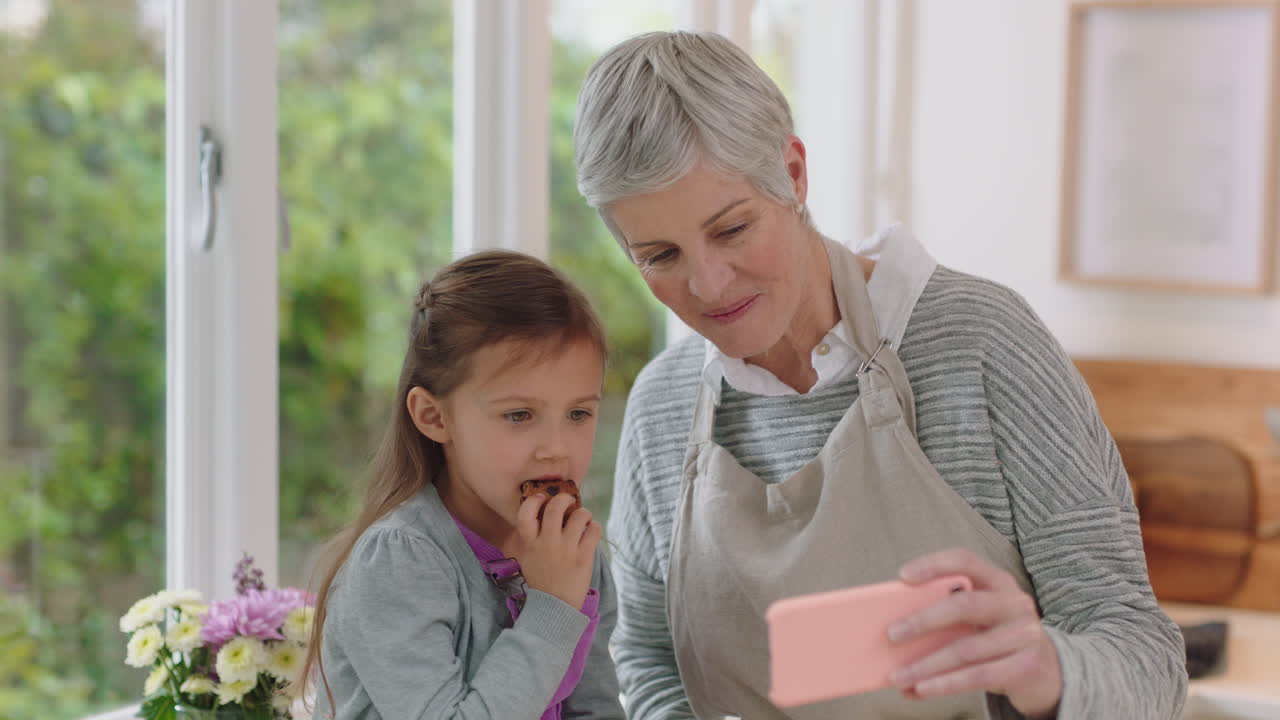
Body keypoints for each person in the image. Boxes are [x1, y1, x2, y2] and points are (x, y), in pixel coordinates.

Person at [573, 31, 1187, 720]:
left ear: (793, 174)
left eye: (732, 229)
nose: (709, 284)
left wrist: (1049, 670)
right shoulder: (663, 407)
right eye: (661, 256)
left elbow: (1146, 660)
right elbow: (651, 661)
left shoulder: (981, 344)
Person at [302, 250, 625, 720]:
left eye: (578, 413)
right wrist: (552, 607)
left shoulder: (573, 553)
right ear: (434, 417)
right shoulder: (399, 562)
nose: (556, 448)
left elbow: (596, 710)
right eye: (519, 415)